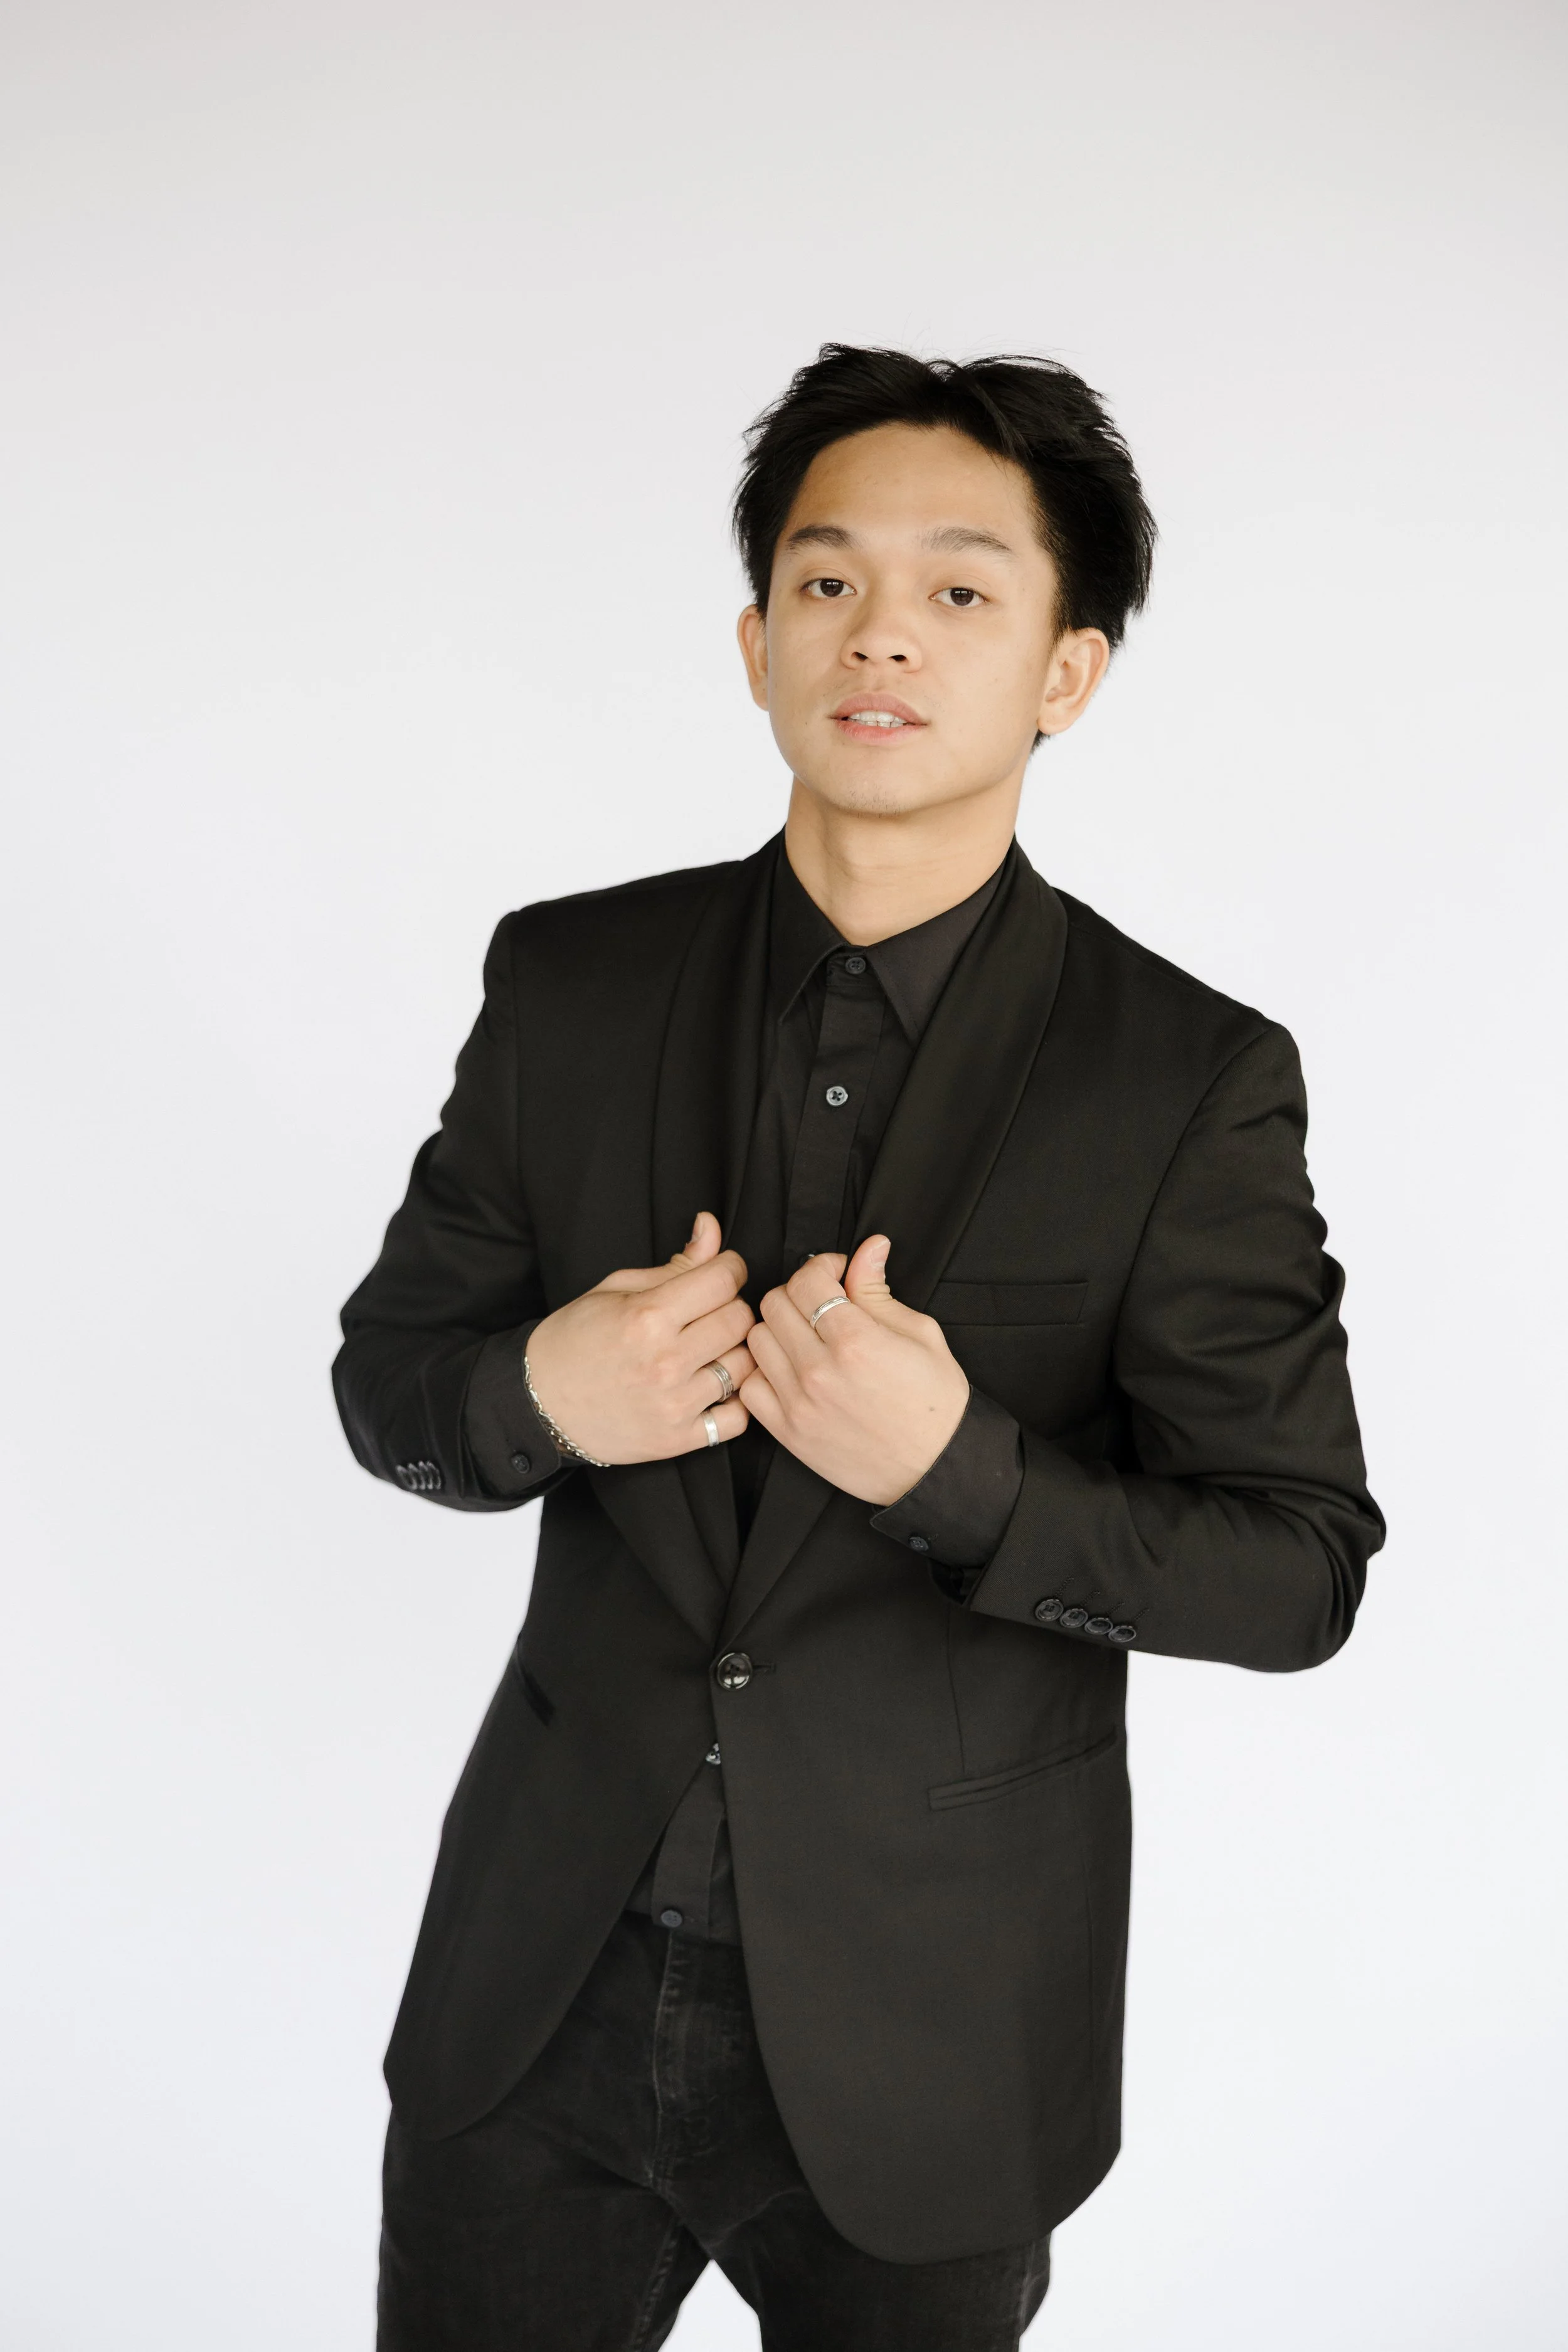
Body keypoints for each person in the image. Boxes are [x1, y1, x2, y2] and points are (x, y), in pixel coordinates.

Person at [334, 343, 1383, 2350]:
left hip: (939, 2039)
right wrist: (536, 1396)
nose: (878, 633)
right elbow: (392, 1386)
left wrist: (961, 1472)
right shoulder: (568, 979)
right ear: (753, 640)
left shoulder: (1187, 1079)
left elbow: (1298, 1566)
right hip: (526, 2002)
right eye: (824, 582)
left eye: (960, 589)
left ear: (1065, 667)